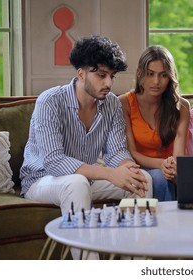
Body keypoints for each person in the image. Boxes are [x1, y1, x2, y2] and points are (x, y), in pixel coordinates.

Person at [20, 35, 152, 258]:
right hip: (41, 180)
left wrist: (127, 169)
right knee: (77, 183)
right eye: (101, 75)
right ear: (80, 73)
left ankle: (134, 261)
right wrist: (110, 174)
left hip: (85, 178)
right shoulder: (50, 101)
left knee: (143, 179)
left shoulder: (110, 103)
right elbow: (54, 161)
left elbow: (117, 151)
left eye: (112, 76)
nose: (109, 83)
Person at [119, 45, 190, 201]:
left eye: (163, 75)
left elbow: (179, 155)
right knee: (158, 178)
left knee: (168, 178)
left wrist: (171, 167)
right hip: (139, 167)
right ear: (139, 73)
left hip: (171, 169)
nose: (156, 81)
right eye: (150, 74)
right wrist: (162, 164)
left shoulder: (182, 106)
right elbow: (132, 153)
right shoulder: (124, 103)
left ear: (170, 77)